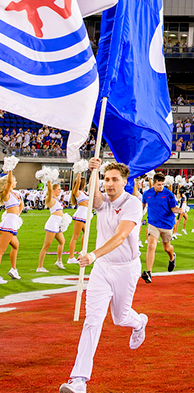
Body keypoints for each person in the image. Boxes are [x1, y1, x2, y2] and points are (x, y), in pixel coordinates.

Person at [60, 159, 148, 393]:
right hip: (102, 268)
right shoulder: (102, 201)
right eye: (106, 179)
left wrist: (93, 254)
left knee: (120, 318)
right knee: (93, 320)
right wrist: (94, 171)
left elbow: (120, 237)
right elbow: (94, 198)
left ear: (124, 182)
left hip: (126, 269)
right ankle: (79, 380)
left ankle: (139, 322)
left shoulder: (133, 204)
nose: (109, 184)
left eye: (114, 180)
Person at [140, 172, 179, 283]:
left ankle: (172, 257)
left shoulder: (169, 194)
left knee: (167, 248)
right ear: (153, 183)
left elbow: (173, 209)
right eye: (159, 184)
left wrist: (179, 210)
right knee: (151, 245)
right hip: (153, 224)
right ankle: (148, 273)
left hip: (167, 225)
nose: (161, 186)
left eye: (162, 184)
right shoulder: (146, 194)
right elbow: (142, 208)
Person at [37, 174, 66, 272]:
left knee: (62, 242)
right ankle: (40, 267)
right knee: (46, 246)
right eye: (58, 189)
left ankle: (59, 261)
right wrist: (49, 181)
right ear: (53, 190)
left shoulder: (57, 199)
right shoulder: (50, 199)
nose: (60, 191)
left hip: (57, 224)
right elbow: (49, 191)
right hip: (52, 224)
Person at [0, 165, 22, 282]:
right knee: (1, 250)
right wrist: (10, 168)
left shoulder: (15, 194)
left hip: (12, 223)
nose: (15, 182)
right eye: (14, 180)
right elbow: (8, 182)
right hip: (8, 223)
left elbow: (20, 206)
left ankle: (13, 269)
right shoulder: (6, 193)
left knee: (15, 246)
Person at [68, 171, 91, 263]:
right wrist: (79, 173)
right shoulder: (76, 192)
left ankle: (82, 251)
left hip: (85, 214)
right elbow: (77, 182)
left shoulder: (83, 193)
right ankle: (71, 257)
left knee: (86, 233)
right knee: (75, 237)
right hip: (80, 215)